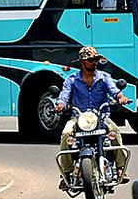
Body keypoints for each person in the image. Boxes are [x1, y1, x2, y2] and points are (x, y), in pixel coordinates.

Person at [55, 46, 129, 184]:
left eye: (96, 59)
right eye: (91, 60)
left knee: (114, 131)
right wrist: (60, 104)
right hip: (79, 117)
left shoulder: (104, 77)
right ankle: (66, 173)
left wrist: (121, 97)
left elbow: (114, 91)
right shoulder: (72, 79)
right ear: (82, 61)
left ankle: (120, 168)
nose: (94, 62)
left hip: (101, 117)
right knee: (66, 134)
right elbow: (64, 95)